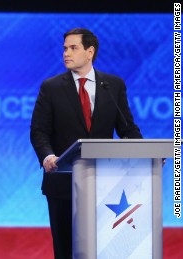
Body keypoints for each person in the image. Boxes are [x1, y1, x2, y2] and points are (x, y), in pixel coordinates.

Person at [30, 28, 142, 259]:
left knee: (103, 249)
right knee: (66, 251)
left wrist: (144, 154)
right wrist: (48, 157)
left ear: (90, 52)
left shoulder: (112, 85)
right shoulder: (51, 87)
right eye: (64, 49)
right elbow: (39, 131)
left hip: (106, 184)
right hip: (63, 183)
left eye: (73, 48)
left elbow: (127, 129)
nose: (66, 54)